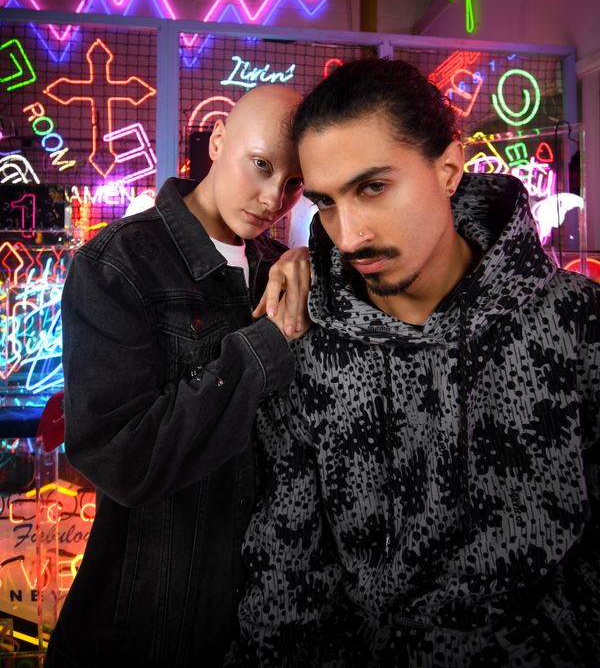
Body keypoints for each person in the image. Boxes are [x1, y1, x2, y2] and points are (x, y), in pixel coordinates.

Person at [230, 59, 600, 667]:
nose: (349, 235)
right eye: (326, 203)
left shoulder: (573, 321)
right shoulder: (306, 342)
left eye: (372, 187)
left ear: (448, 169)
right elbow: (287, 564)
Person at [44, 85, 311, 668]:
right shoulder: (118, 264)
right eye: (261, 165)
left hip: (254, 629)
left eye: (294, 183)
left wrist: (310, 257)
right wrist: (264, 348)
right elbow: (121, 456)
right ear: (218, 140)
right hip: (141, 633)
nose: (273, 198)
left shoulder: (279, 270)